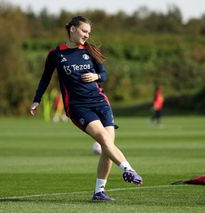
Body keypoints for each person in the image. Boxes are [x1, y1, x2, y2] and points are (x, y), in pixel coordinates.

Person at [29, 16, 142, 201]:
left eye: (89, 33)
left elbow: (104, 74)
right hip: (77, 106)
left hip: (101, 102)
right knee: (104, 139)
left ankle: (99, 192)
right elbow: (45, 78)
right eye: (84, 31)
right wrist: (37, 100)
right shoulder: (56, 54)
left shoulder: (90, 50)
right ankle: (128, 170)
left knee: (108, 147)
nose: (87, 36)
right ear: (72, 29)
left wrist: (95, 76)